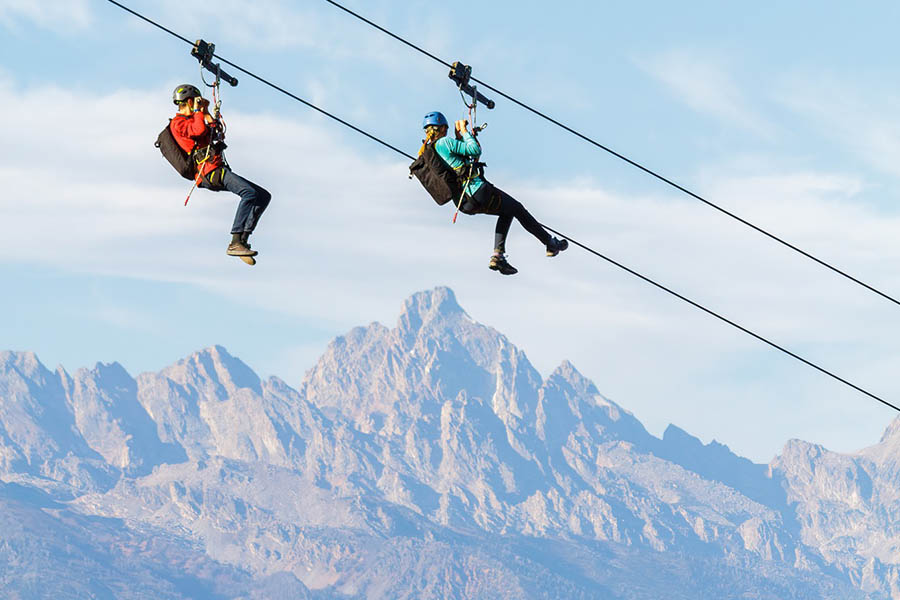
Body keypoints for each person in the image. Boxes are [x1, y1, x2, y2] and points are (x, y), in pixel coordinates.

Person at [420, 111, 567, 275]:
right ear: (442, 128)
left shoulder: (431, 150)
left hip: (464, 203)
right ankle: (549, 243)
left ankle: (498, 256)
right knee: (518, 208)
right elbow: (474, 150)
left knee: (508, 211)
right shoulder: (444, 142)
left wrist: (461, 137)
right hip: (477, 191)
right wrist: (464, 132)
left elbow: (459, 160)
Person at [170, 84, 271, 261]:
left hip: (217, 168)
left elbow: (215, 132)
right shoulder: (178, 123)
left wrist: (207, 112)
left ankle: (242, 240)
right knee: (248, 193)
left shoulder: (196, 117)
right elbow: (198, 131)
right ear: (189, 101)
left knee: (263, 196)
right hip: (209, 172)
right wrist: (199, 112)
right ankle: (235, 241)